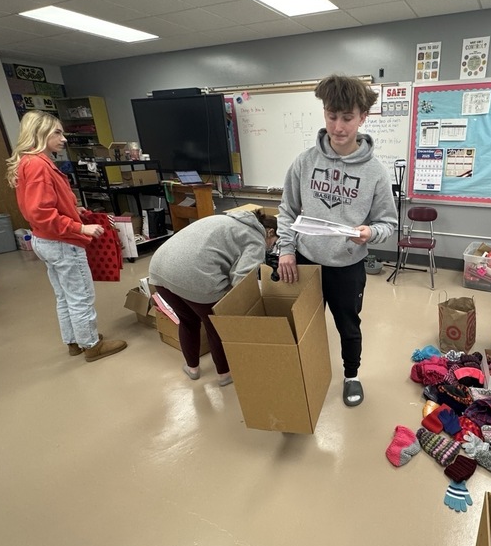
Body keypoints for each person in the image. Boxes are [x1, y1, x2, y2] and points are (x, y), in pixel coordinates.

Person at [276, 75, 398, 407]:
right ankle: (304, 373)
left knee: (348, 326)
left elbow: (388, 222)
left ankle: (351, 375)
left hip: (347, 266)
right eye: (332, 116)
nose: (338, 127)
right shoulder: (305, 161)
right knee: (302, 323)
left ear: (362, 118)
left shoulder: (375, 171)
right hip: (305, 262)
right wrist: (286, 250)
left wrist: (369, 233)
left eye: (347, 118)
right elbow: (287, 209)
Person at [6, 110, 127, 362]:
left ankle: (74, 341)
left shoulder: (30, 162)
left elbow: (45, 205)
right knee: (81, 295)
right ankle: (91, 345)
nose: (63, 139)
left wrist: (74, 210)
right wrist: (79, 228)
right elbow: (41, 212)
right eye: (57, 133)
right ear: (39, 133)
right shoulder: (38, 165)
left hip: (45, 241)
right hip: (62, 242)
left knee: (64, 295)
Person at [148, 210, 279, 385]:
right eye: (273, 243)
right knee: (216, 326)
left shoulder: (225, 218)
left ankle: (192, 368)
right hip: (196, 277)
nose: (270, 248)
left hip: (159, 269)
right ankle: (224, 374)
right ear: (270, 231)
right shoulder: (256, 238)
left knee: (187, 321)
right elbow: (242, 280)